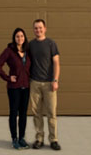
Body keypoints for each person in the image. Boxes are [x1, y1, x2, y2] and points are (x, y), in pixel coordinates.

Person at [0, 27, 32, 150]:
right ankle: (14, 139)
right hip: (14, 88)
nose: (20, 38)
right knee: (13, 113)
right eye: (17, 36)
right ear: (14, 38)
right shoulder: (9, 51)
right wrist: (8, 77)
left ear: (24, 37)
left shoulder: (28, 51)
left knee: (23, 114)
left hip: (26, 87)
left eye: (22, 36)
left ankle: (22, 138)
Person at [29, 19, 61, 151]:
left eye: (40, 28)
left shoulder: (51, 44)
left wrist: (55, 80)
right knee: (36, 113)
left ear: (45, 28)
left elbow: (56, 63)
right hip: (34, 83)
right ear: (34, 30)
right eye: (36, 28)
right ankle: (39, 139)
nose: (38, 30)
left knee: (51, 113)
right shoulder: (30, 45)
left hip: (49, 84)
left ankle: (53, 140)